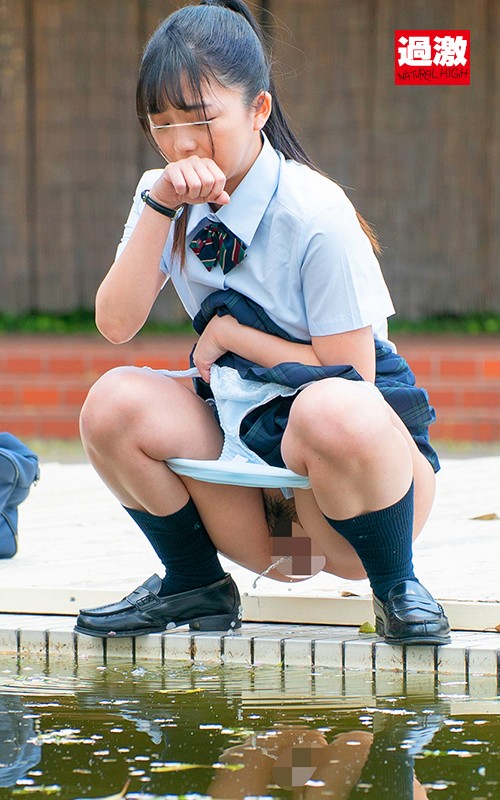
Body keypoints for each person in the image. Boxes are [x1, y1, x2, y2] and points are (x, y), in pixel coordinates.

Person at [75, 0, 450, 646]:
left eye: (200, 119)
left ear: (259, 110)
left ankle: (399, 588)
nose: (181, 144)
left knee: (330, 408)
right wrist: (160, 207)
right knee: (111, 404)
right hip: (277, 535)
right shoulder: (164, 196)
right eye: (161, 123)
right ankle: (196, 583)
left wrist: (232, 336)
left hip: (352, 513)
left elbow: (354, 380)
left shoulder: (315, 211)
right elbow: (115, 323)